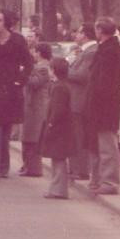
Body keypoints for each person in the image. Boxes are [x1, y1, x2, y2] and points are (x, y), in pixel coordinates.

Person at [0, 9, 33, 182]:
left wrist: (20, 81)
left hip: (11, 90)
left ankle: (4, 166)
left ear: (6, 23)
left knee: (6, 129)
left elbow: (28, 63)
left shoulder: (17, 40)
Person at [85, 16, 120, 195]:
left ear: (99, 31)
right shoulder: (111, 49)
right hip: (103, 104)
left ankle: (109, 181)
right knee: (98, 143)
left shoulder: (109, 52)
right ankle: (98, 179)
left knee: (106, 144)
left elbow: (103, 82)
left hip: (104, 106)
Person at [42, 57, 76, 199]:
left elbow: (58, 109)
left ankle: (58, 190)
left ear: (54, 70)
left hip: (59, 129)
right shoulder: (62, 85)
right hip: (62, 128)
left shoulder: (59, 87)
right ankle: (57, 188)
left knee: (58, 159)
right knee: (57, 158)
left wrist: (50, 123)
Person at [66, 23, 97, 181]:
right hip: (76, 99)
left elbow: (82, 75)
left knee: (79, 136)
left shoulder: (90, 52)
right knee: (76, 135)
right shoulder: (84, 51)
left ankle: (81, 170)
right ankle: (76, 169)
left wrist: (63, 69)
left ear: (85, 34)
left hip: (80, 100)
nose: (75, 36)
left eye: (78, 32)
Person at [21, 43, 53, 177]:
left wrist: (23, 73)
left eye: (34, 52)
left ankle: (33, 168)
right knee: (29, 137)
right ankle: (27, 166)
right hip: (33, 107)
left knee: (33, 138)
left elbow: (35, 83)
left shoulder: (43, 67)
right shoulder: (39, 66)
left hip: (36, 107)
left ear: (39, 53)